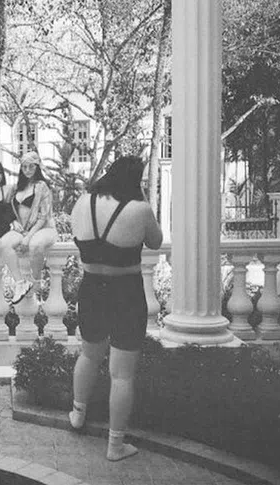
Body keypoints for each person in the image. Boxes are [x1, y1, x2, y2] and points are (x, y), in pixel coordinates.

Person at [69, 155, 163, 461]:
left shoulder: (82, 203)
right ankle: (115, 445)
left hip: (91, 289)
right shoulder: (139, 209)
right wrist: (142, 197)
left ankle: (78, 415)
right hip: (126, 293)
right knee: (121, 374)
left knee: (88, 354)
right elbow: (156, 241)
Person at [0, 152, 57, 304]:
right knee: (4, 244)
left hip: (43, 228)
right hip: (23, 229)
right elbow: (6, 209)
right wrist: (13, 221)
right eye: (24, 167)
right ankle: (20, 283)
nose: (27, 170)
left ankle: (36, 283)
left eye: (31, 166)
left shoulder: (42, 186)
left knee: (34, 245)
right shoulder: (16, 188)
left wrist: (28, 237)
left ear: (37, 167)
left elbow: (43, 216)